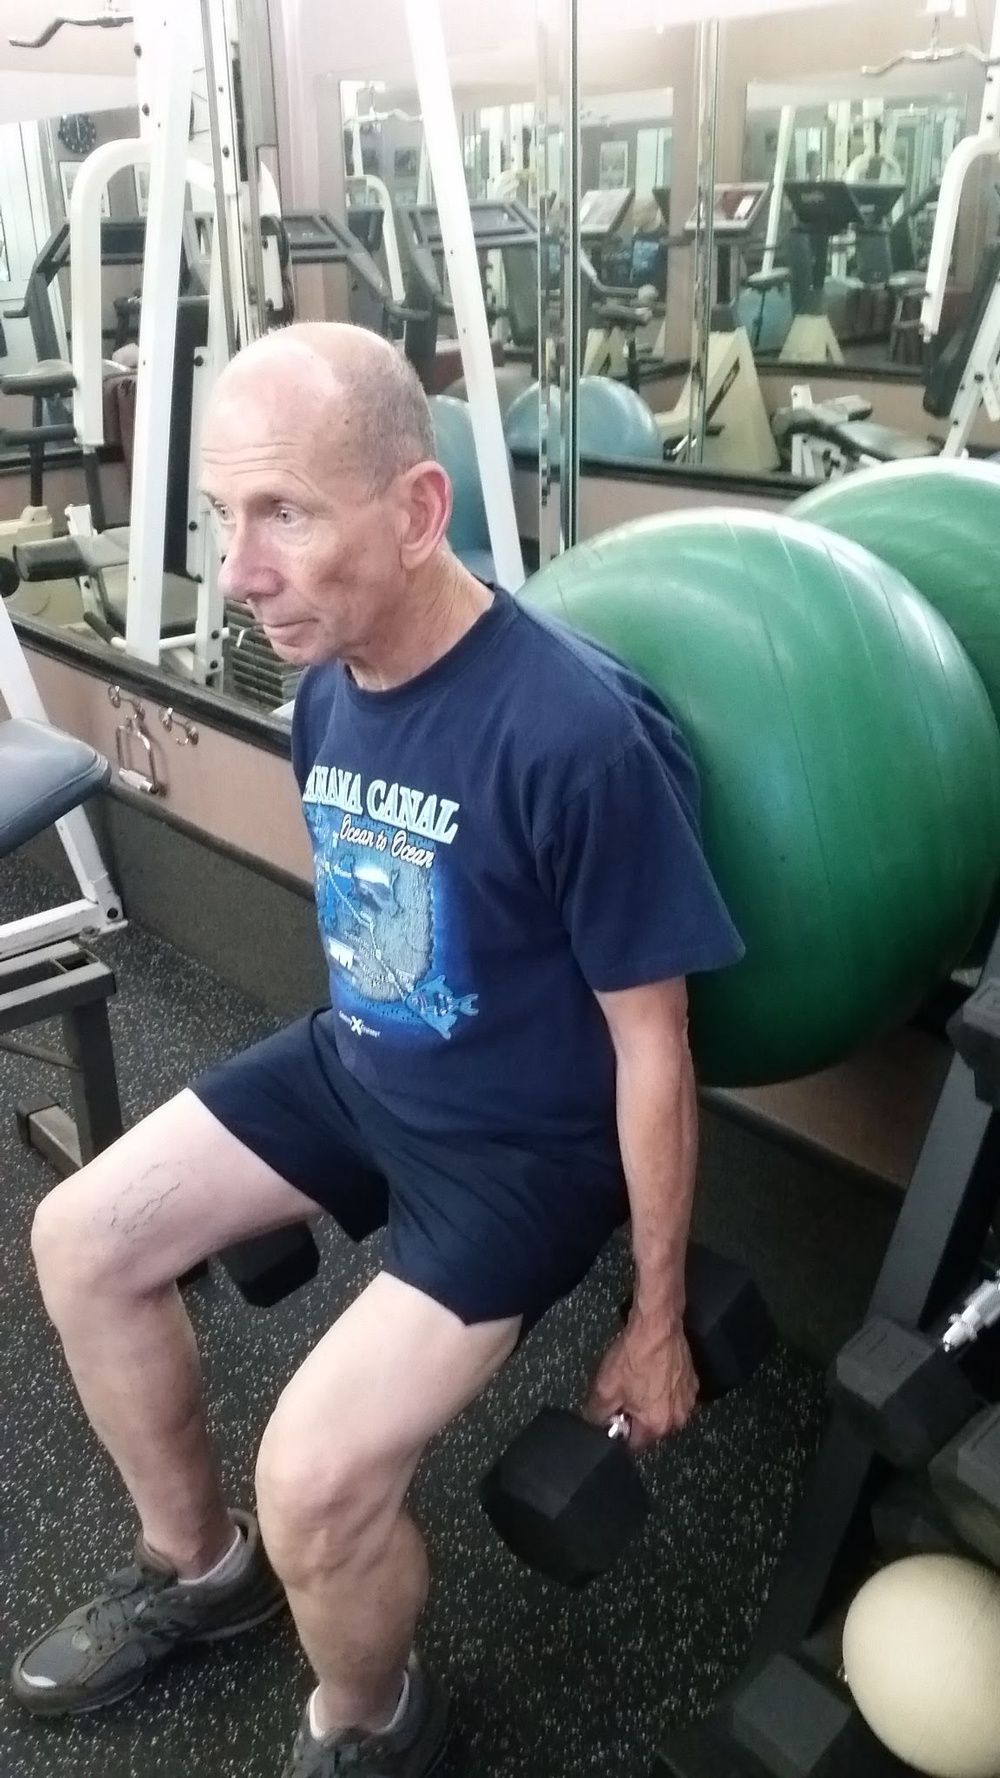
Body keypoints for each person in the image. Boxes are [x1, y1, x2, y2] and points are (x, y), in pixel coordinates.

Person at [11, 323, 743, 1777]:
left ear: (418, 511)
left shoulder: (579, 736)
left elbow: (656, 1050)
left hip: (521, 1157)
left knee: (318, 1474)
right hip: (365, 1059)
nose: (237, 567)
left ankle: (368, 1722)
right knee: (81, 1233)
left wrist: (655, 1319)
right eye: (226, 517)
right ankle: (199, 1571)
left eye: (283, 510)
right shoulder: (333, 672)